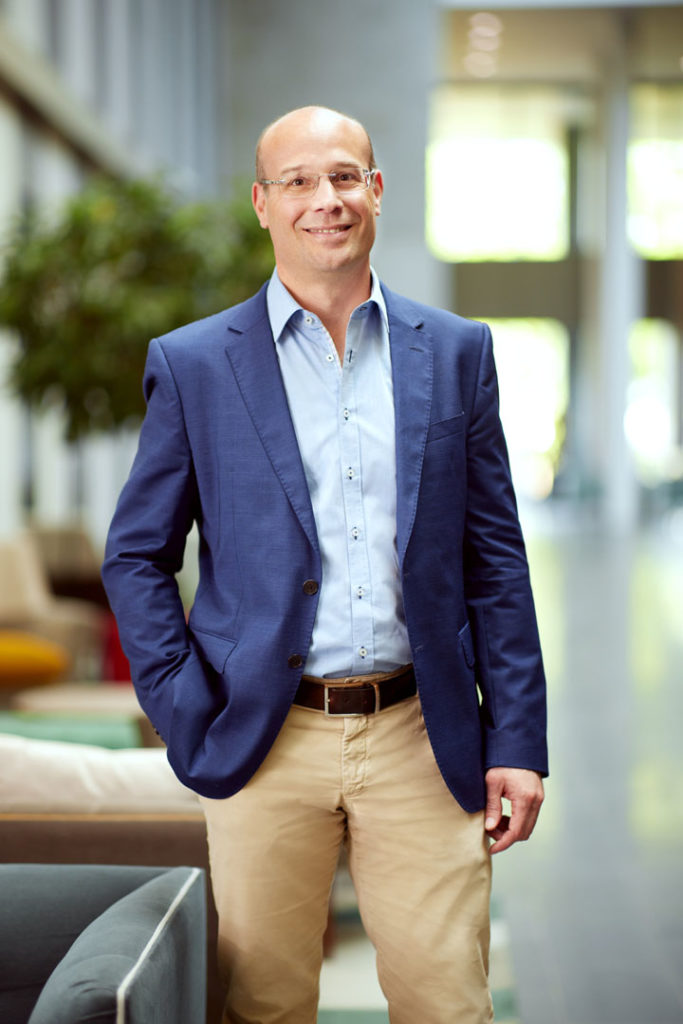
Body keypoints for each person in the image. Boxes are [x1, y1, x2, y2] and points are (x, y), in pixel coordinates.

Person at [102, 105, 547, 1024]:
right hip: (263, 736)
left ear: (376, 191)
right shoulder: (192, 365)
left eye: (344, 176)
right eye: (298, 182)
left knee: (449, 1003)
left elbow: (494, 556)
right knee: (262, 1006)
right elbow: (137, 554)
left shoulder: (457, 353)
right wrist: (185, 705)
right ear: (262, 205)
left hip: (421, 733)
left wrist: (516, 742)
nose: (325, 200)